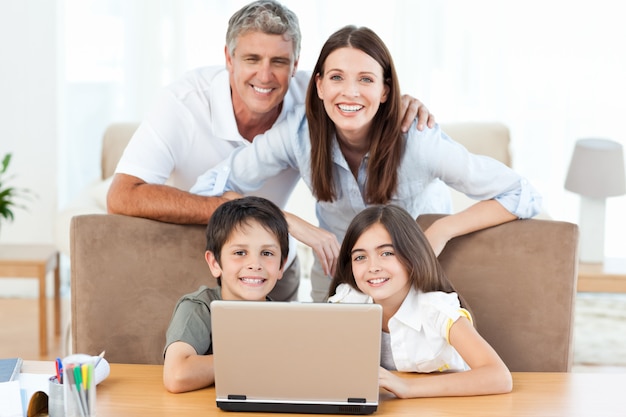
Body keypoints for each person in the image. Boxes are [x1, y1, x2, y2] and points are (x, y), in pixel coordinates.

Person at [106, 1, 434, 302]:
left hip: (276, 264)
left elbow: (361, 90)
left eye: (278, 61)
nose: (265, 76)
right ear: (228, 58)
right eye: (251, 59)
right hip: (198, 254)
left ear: (296, 65)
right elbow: (121, 195)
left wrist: (402, 105)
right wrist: (234, 207)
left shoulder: (317, 96)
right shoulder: (182, 103)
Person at [190, 25, 542, 302]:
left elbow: (521, 193)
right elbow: (208, 187)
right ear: (320, 86)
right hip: (337, 279)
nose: (351, 92)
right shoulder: (298, 134)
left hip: (412, 279)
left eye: (366, 80)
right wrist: (291, 224)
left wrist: (441, 230)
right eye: (337, 78)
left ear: (386, 90)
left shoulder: (418, 139)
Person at [328, 204, 513, 398]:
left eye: (387, 253)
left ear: (412, 255)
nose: (373, 267)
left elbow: (499, 377)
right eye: (360, 257)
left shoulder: (437, 309)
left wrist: (407, 388)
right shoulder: (347, 301)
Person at [162, 196, 289, 393]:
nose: (255, 264)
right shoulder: (198, 308)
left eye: (267, 253)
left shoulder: (286, 317)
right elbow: (177, 375)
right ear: (214, 263)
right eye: (240, 253)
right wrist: (253, 358)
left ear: (281, 265)